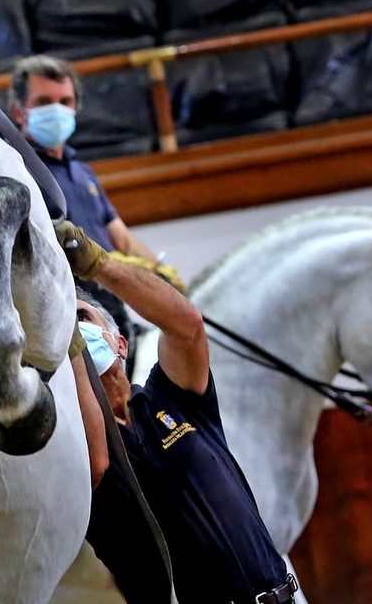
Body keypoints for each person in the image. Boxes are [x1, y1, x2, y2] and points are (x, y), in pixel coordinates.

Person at [59, 219, 300, 604]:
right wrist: (61, 341)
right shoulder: (75, 447)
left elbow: (187, 327)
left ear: (120, 344)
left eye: (81, 319)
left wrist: (98, 265)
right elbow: (96, 463)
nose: (74, 332)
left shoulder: (171, 397)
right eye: (64, 327)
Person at [7, 55, 154, 259]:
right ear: (19, 112)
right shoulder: (15, 172)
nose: (57, 110)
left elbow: (123, 241)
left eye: (65, 101)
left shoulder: (83, 173)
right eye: (44, 102)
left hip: (110, 288)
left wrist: (162, 273)